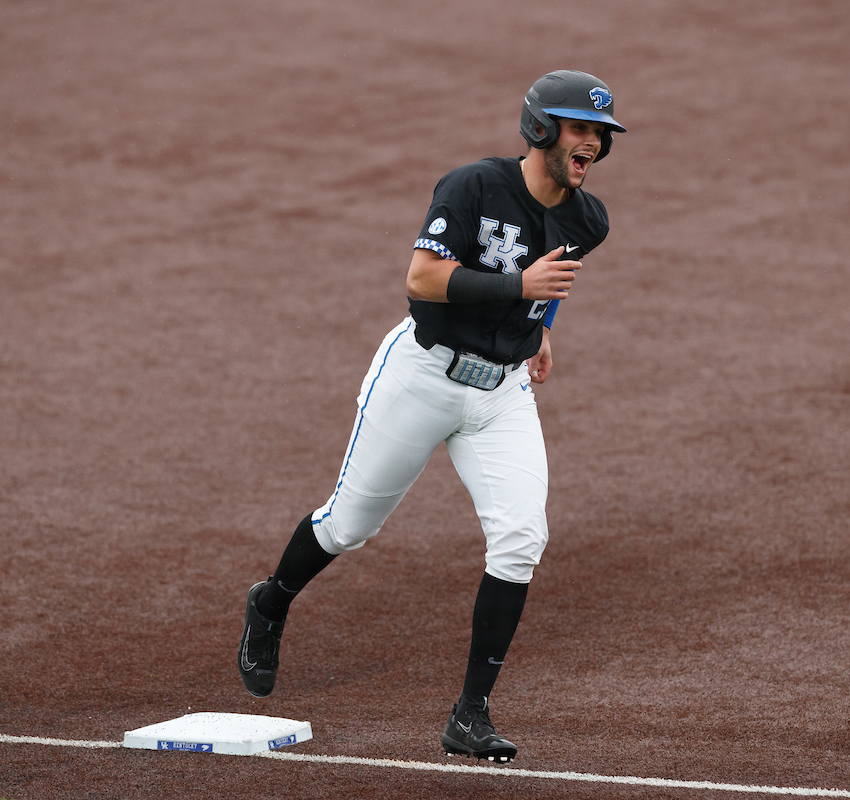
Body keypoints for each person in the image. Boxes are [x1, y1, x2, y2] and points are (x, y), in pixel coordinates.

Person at [237, 69, 625, 763]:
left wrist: (541, 328)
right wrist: (518, 286)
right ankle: (271, 601)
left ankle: (469, 716)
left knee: (520, 538)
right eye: (580, 128)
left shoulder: (587, 219)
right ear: (541, 129)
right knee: (349, 524)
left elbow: (552, 282)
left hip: (502, 393)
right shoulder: (472, 186)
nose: (591, 143)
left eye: (599, 133)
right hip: (421, 375)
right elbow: (421, 277)